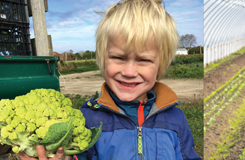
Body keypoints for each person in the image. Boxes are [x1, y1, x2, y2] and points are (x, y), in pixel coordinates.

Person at [19, 0, 202, 159]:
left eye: (144, 60)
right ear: (102, 59)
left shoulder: (175, 119)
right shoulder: (87, 119)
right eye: (119, 58)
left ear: (160, 66)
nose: (129, 72)